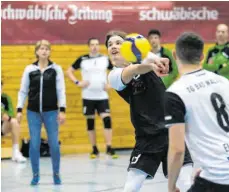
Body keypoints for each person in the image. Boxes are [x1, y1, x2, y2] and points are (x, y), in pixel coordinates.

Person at [107, 31, 193, 192]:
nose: (113, 46)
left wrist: (161, 61)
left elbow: (152, 57)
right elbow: (132, 70)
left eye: (118, 42)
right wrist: (152, 65)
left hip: (171, 130)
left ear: (127, 47)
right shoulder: (114, 75)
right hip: (148, 136)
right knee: (131, 188)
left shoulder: (145, 59)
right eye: (110, 44)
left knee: (186, 185)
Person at [164, 32, 229, 192]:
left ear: (174, 54)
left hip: (218, 179)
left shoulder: (175, 93)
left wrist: (171, 186)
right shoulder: (224, 81)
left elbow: (177, 150)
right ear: (202, 56)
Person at [16, 40, 66, 185]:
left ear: (49, 51)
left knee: (54, 144)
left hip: (51, 112)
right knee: (34, 144)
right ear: (37, 51)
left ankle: (56, 173)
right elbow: (23, 90)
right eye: (41, 48)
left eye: (47, 49)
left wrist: (62, 109)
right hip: (33, 112)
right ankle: (35, 174)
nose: (44, 51)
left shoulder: (56, 69)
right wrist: (19, 109)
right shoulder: (29, 69)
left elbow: (61, 90)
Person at [66, 37, 117, 159]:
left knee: (107, 120)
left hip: (102, 96)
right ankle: (94, 149)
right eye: (92, 44)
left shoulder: (105, 59)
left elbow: (116, 71)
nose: (94, 46)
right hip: (88, 96)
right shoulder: (83, 59)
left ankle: (109, 147)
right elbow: (69, 71)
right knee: (90, 122)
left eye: (96, 44)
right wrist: (78, 83)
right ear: (89, 46)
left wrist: (110, 85)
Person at [1, 81, 27, 163]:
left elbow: (10, 115)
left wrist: (5, 117)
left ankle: (15, 152)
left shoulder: (5, 98)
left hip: (2, 126)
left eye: (0, 87)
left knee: (15, 122)